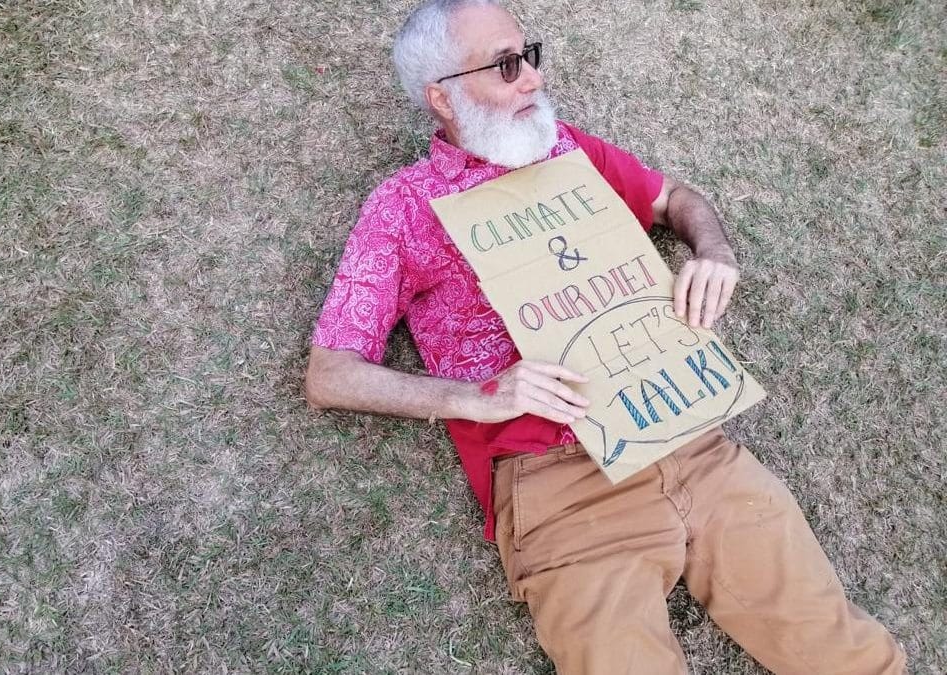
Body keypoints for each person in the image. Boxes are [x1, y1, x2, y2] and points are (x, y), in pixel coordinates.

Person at [305, 1, 907, 672]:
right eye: (505, 67)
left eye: (527, 55)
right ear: (440, 96)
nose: (531, 78)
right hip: (562, 491)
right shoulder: (404, 207)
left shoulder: (567, 146)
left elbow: (674, 197)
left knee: (851, 656)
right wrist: (475, 396)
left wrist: (714, 250)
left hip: (689, 435)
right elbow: (331, 372)